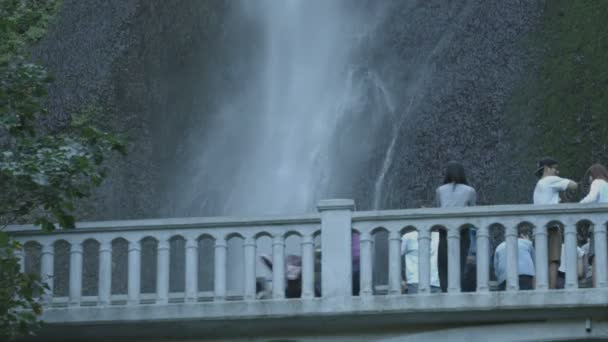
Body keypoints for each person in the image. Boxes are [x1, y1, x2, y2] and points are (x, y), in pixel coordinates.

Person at [532, 157, 578, 288]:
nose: (557, 172)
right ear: (547, 169)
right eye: (555, 168)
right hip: (551, 227)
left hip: (538, 228)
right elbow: (573, 186)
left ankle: (537, 291)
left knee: (540, 262)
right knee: (553, 260)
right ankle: (551, 291)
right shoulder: (550, 180)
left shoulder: (539, 185)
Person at [435, 161, 477, 292]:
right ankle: (459, 287)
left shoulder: (440, 190)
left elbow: (438, 208)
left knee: (443, 263)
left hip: (444, 231)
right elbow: (474, 210)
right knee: (461, 262)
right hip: (462, 231)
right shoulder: (470, 190)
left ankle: (445, 288)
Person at [580, 163, 608, 287]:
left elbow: (591, 198)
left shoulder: (597, 182)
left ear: (593, 175)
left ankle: (598, 287)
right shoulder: (607, 184)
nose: (589, 180)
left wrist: (577, 205)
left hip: (599, 225)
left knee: (596, 255)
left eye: (590, 176)